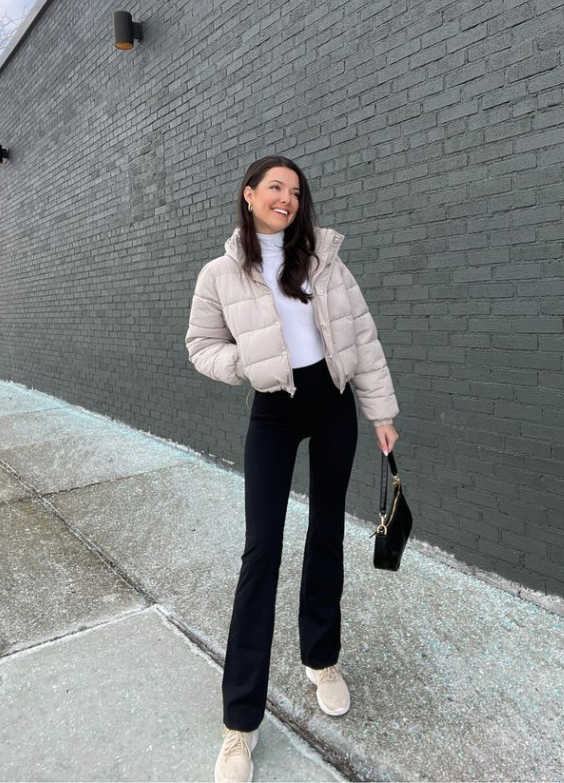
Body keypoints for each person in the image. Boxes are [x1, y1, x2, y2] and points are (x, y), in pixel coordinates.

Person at [185, 155, 399, 783]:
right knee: (262, 554)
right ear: (249, 195)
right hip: (273, 413)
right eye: (275, 188)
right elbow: (200, 346)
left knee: (327, 532)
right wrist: (246, 368)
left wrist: (380, 411)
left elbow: (363, 338)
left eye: (296, 192)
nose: (287, 199)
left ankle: (322, 660)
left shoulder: (326, 262)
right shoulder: (222, 272)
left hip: (333, 407)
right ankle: (239, 723)